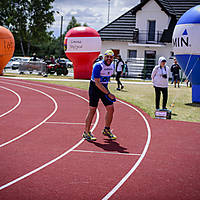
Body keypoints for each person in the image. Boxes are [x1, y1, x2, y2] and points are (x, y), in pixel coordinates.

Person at [83, 50, 117, 141]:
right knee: (93, 109)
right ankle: (86, 132)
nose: (109, 59)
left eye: (111, 57)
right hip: (95, 88)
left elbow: (105, 81)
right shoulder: (98, 66)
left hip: (104, 87)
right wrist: (108, 94)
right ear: (104, 57)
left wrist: (107, 92)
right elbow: (97, 83)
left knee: (110, 108)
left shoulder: (112, 66)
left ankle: (107, 129)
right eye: (107, 56)